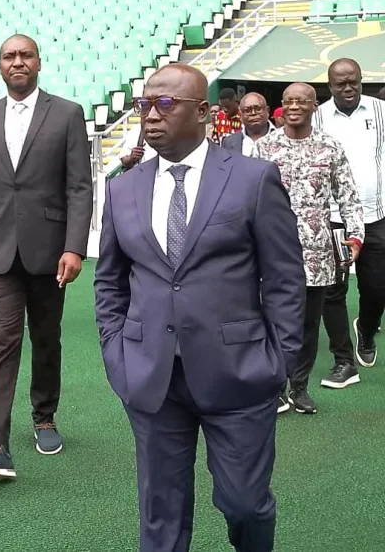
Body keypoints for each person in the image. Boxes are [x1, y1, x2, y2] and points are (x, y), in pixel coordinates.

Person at [94, 64, 305, 552]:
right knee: (160, 517)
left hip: (240, 373)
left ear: (204, 113)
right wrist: (116, 353)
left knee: (245, 505)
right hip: (151, 377)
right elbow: (109, 280)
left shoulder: (254, 179)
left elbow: (284, 278)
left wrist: (281, 362)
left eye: (166, 105)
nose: (151, 114)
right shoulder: (123, 187)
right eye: (145, 104)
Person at [0, 34, 93, 479]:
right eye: (9, 56)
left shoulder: (67, 113)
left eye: (25, 55)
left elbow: (79, 186)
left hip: (50, 249)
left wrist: (75, 246)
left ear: (38, 62)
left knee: (46, 337)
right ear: (0, 66)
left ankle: (44, 416)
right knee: (3, 342)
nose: (17, 62)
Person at [252, 82, 364, 413]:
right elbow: (245, 197)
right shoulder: (264, 148)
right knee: (271, 320)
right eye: (288, 101)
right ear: (282, 107)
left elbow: (348, 195)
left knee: (308, 324)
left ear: (315, 106)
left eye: (302, 101)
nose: (295, 106)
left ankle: (298, 388)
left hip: (317, 252)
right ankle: (274, 387)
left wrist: (355, 236)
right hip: (271, 250)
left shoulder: (330, 148)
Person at [316, 58, 385, 381]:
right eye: (340, 83)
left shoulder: (380, 110)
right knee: (334, 291)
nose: (348, 88)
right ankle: (343, 360)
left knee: (376, 287)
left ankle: (367, 328)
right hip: (334, 218)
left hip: (376, 215)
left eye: (353, 81)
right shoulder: (318, 117)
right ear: (330, 86)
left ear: (361, 80)